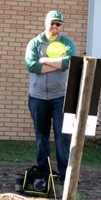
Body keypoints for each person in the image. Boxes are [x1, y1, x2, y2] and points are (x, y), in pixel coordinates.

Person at [24, 10, 77, 181]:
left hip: (60, 96)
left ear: (61, 25)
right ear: (46, 23)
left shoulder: (66, 42)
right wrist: (58, 64)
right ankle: (43, 171)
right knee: (42, 135)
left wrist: (44, 60)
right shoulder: (35, 43)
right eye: (52, 23)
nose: (54, 26)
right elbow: (32, 66)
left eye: (58, 24)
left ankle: (65, 174)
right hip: (38, 96)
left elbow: (70, 62)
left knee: (63, 136)